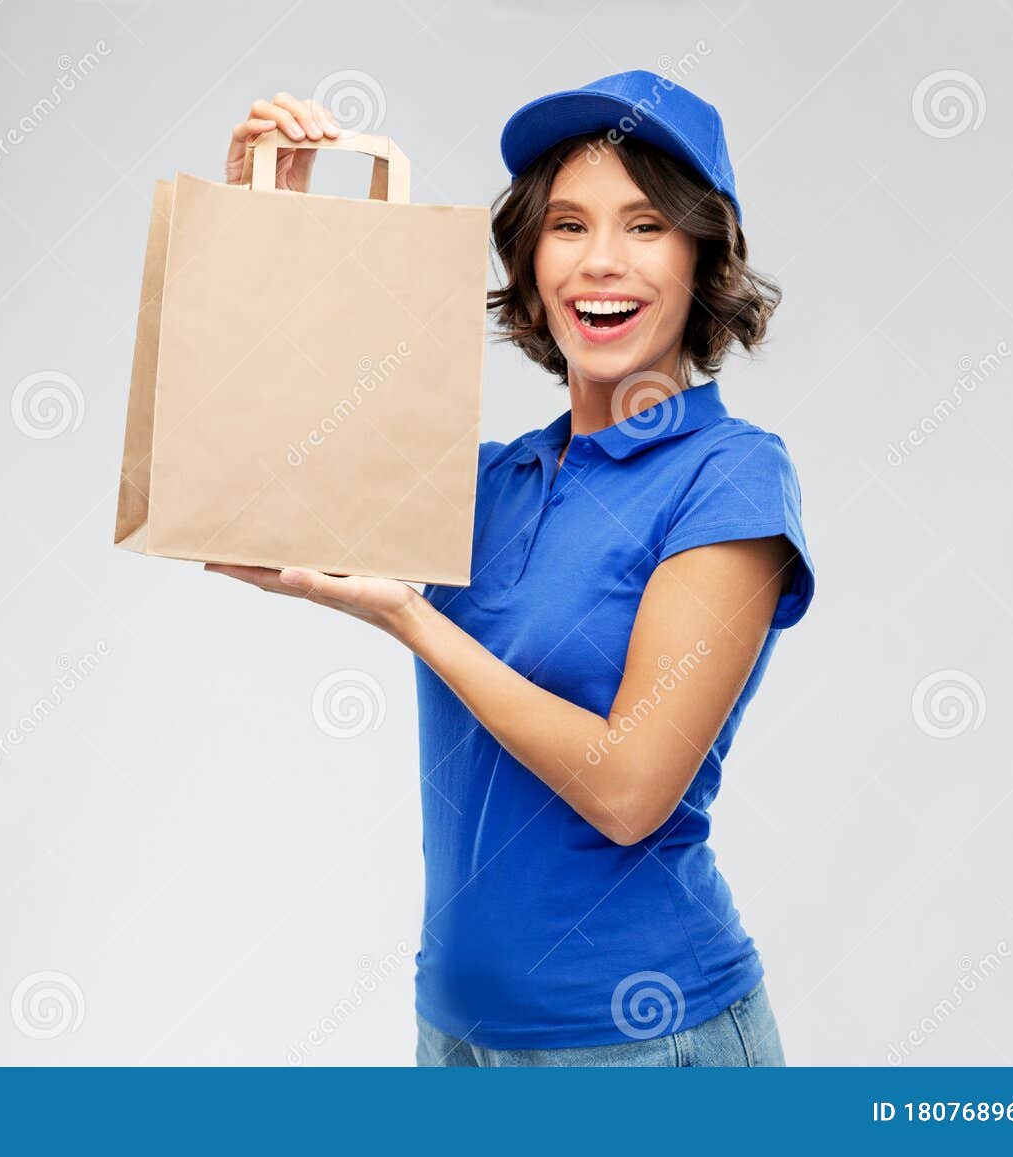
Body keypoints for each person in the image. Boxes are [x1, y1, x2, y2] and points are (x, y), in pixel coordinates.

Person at [212, 70, 816, 1067]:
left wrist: (413, 619)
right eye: (568, 225)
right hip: (454, 1032)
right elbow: (250, 489)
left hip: (644, 1044)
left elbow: (629, 787)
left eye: (646, 225)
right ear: (530, 257)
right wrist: (266, 215)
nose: (600, 263)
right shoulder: (485, 482)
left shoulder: (731, 477)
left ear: (703, 253)